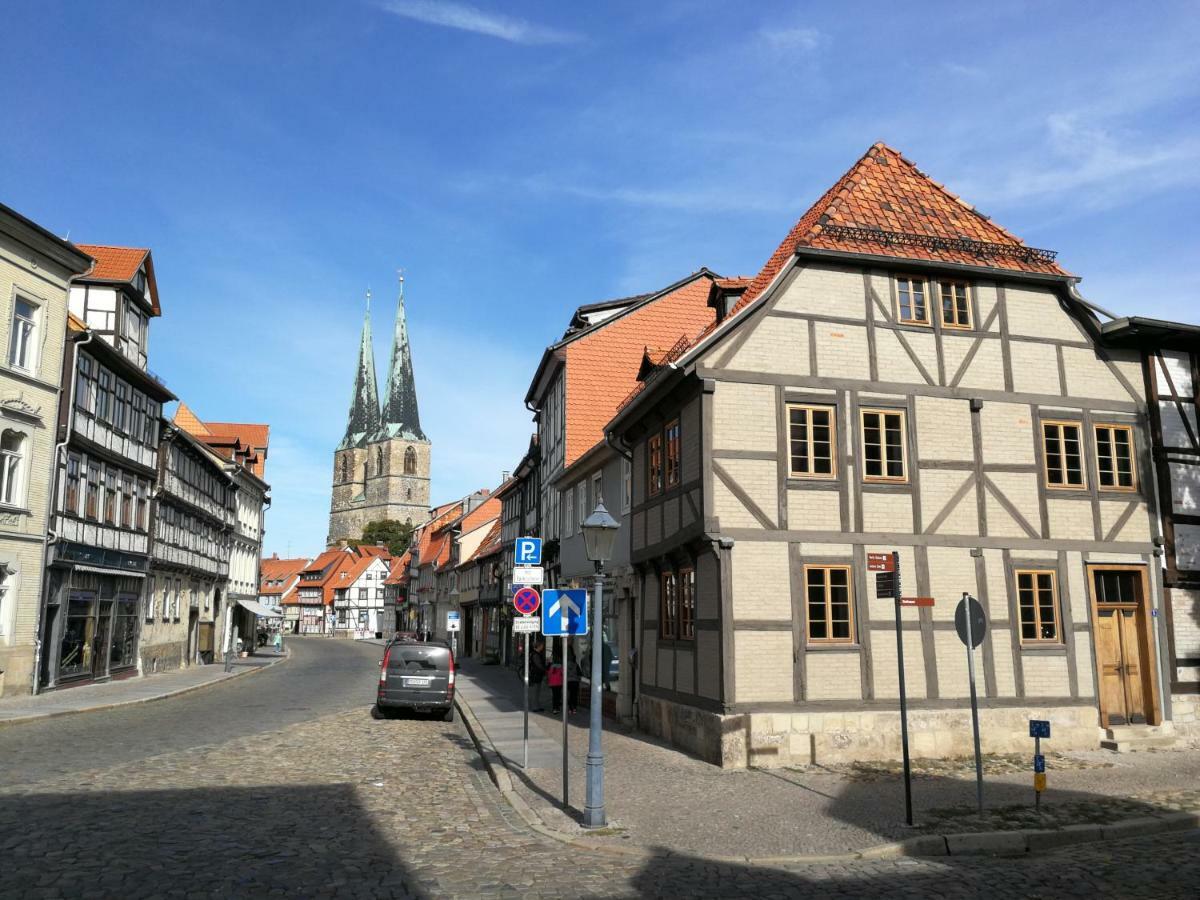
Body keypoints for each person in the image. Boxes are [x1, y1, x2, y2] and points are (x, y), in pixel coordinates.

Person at [529, 638, 547, 712]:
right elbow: (539, 665)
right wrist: (545, 669)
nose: (543, 647)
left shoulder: (537, 654)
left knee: (537, 691)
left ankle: (537, 706)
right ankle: (534, 707)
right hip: (536, 675)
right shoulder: (535, 655)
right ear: (538, 646)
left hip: (538, 675)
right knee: (535, 692)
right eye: (542, 646)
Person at [547, 643, 564, 714]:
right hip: (559, 683)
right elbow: (563, 674)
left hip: (553, 684)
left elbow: (548, 674)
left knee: (554, 696)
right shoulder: (561, 666)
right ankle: (557, 708)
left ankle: (554, 708)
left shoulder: (551, 667)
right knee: (558, 695)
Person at [566, 641, 581, 714]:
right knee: (574, 695)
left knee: (569, 694)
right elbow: (580, 673)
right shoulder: (576, 665)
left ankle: (569, 708)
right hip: (575, 682)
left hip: (568, 681)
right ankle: (574, 708)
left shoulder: (566, 665)